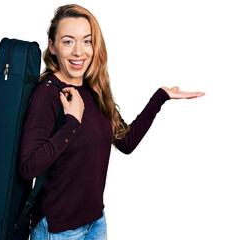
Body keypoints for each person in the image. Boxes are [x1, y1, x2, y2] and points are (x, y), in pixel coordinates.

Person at [18, 4, 205, 240]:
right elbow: (28, 168)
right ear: (52, 46)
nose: (79, 52)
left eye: (87, 41)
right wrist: (71, 123)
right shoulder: (47, 94)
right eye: (68, 41)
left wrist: (160, 97)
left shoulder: (93, 89)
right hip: (58, 230)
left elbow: (125, 142)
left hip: (96, 222)